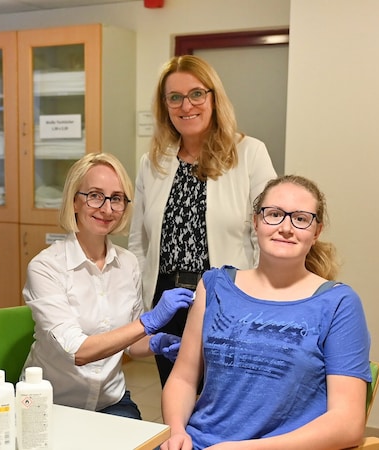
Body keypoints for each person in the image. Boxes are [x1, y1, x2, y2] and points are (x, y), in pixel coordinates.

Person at [161, 175, 372, 450]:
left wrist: (239, 449)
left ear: (317, 231)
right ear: (256, 221)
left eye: (300, 218)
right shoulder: (214, 286)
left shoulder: (338, 303)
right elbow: (183, 379)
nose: (286, 228)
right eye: (274, 214)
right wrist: (176, 431)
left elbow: (348, 423)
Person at [128, 55, 277, 386]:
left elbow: (266, 236)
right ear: (165, 105)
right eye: (175, 97)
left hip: (226, 300)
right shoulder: (152, 162)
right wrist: (143, 306)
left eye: (197, 94)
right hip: (167, 301)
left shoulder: (249, 153)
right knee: (176, 396)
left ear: (213, 98)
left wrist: (257, 303)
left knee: (225, 400)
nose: (186, 105)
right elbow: (139, 242)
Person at [21, 152, 194, 419]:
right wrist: (149, 322)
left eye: (116, 198)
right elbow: (77, 351)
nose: (107, 208)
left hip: (111, 401)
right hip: (50, 405)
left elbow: (130, 345)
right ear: (74, 202)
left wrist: (156, 342)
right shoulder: (46, 267)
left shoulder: (128, 264)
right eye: (94, 195)